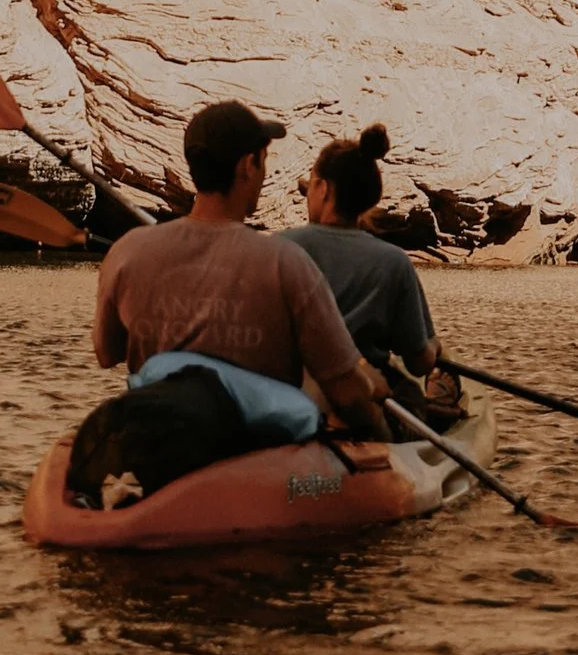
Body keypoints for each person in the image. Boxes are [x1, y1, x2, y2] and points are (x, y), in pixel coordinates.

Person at [92, 99, 387, 442]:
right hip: (258, 452)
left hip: (159, 438)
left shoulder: (125, 251)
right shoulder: (287, 263)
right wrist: (377, 430)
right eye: (264, 160)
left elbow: (106, 352)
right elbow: (346, 390)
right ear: (249, 165)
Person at [281, 123, 461, 422]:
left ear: (324, 189)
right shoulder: (392, 262)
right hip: (364, 400)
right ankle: (440, 395)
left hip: (289, 392)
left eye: (310, 185)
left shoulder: (279, 248)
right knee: (414, 397)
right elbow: (418, 363)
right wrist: (435, 347)